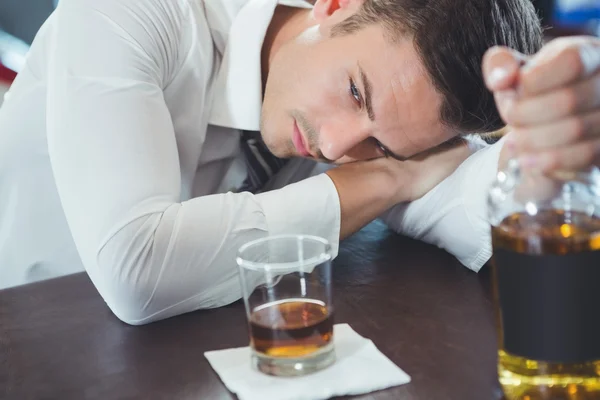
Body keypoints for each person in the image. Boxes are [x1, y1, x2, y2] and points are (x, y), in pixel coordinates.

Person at [0, 0, 543, 324]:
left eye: (382, 146)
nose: (335, 149)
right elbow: (137, 270)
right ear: (334, 6)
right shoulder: (130, 13)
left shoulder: (385, 118)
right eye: (356, 93)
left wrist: (567, 155)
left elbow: (486, 202)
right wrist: (386, 175)